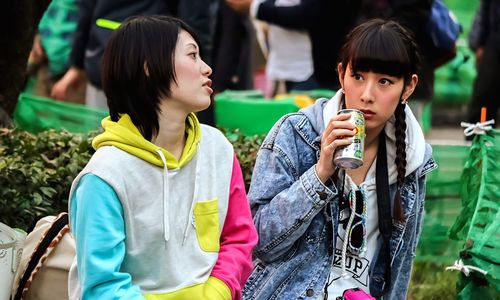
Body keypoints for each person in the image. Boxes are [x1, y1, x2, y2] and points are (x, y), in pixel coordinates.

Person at [243, 19, 437, 300]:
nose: (367, 95)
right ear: (341, 74)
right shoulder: (297, 133)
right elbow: (261, 243)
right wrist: (320, 172)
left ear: (408, 88)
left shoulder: (415, 156)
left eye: (385, 81)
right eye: (357, 76)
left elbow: (401, 263)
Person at [67, 15, 258, 300]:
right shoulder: (104, 178)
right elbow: (102, 287)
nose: (206, 69)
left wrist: (216, 292)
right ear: (148, 67)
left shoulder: (217, 149)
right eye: (192, 55)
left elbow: (238, 238)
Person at [467, 0, 500, 125]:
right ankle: (477, 139)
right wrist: (479, 43)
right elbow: (485, 9)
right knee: (483, 99)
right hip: (494, 43)